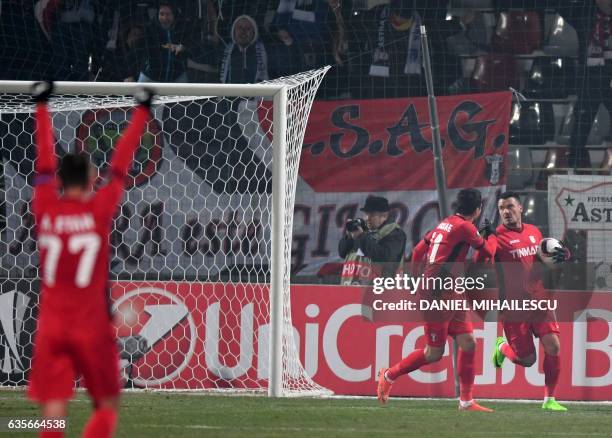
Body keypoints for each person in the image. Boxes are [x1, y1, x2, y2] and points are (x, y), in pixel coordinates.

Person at [27, 81, 153, 438]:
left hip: (51, 326)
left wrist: (41, 105)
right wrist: (142, 110)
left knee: (53, 413)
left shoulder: (44, 206)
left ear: (59, 181)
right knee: (107, 405)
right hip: (91, 325)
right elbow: (121, 166)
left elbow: (44, 160)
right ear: (92, 179)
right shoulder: (99, 209)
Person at [377, 189, 496, 412]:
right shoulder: (466, 227)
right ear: (478, 209)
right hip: (437, 292)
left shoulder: (445, 224)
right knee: (434, 352)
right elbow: (488, 252)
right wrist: (491, 235)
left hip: (449, 290)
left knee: (468, 342)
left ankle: (466, 401)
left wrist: (414, 280)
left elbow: (417, 252)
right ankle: (389, 375)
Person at [478, 191, 571, 411]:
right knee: (527, 360)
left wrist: (559, 257)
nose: (506, 212)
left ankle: (549, 400)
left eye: (510, 206)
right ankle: (502, 348)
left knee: (554, 347)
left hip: (539, 301)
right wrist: (484, 242)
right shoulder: (496, 237)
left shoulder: (534, 232)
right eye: (501, 208)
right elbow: (480, 262)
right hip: (514, 307)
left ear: (521, 208)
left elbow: (542, 260)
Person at [555, 0, 612, 169]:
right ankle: (573, 167)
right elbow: (561, 5)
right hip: (590, 78)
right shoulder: (584, 12)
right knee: (581, 124)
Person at [338, 195, 406, 285]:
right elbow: (342, 252)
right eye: (366, 214)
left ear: (384, 216)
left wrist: (361, 237)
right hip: (352, 287)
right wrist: (349, 237)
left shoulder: (395, 233)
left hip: (380, 292)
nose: (367, 218)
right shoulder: (363, 230)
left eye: (372, 215)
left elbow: (383, 257)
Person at [138, 2, 190, 83]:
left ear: (174, 15)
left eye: (168, 14)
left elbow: (192, 46)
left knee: (186, 93)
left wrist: (182, 47)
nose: (164, 18)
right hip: (150, 76)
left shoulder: (183, 28)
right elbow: (136, 52)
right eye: (161, 14)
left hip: (177, 75)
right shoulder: (149, 28)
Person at [219, 14, 268, 84]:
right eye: (239, 27)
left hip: (256, 93)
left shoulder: (265, 51)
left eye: (248, 28)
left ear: (254, 33)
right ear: (233, 32)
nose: (243, 31)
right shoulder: (223, 51)